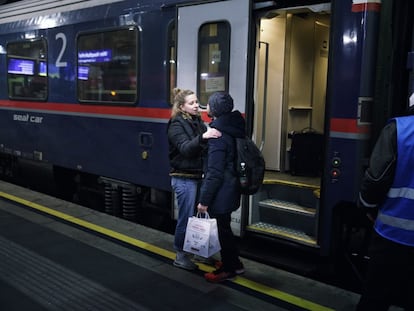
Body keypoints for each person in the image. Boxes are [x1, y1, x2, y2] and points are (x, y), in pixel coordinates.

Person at [356, 93, 414, 310]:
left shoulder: (399, 130)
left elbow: (376, 179)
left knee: (375, 298)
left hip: (392, 236)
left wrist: (368, 207)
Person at [167, 88, 221, 271]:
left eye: (197, 101)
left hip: (198, 176)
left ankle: (199, 251)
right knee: (186, 218)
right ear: (181, 107)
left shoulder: (197, 121)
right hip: (183, 178)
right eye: (192, 103)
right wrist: (204, 137)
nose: (197, 105)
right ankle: (181, 256)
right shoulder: (176, 124)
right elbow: (186, 149)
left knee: (200, 218)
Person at [197, 91, 245, 283]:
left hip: (221, 191)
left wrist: (204, 201)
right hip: (231, 187)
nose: (205, 107)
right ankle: (236, 263)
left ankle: (228, 268)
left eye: (208, 104)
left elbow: (214, 172)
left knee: (222, 230)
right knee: (225, 228)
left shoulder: (217, 134)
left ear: (214, 109)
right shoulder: (235, 126)